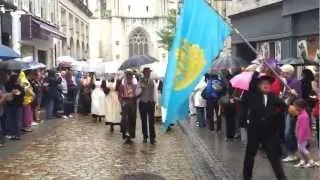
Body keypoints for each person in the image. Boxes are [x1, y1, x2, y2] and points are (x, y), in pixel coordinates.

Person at [240, 72, 287, 180]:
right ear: (258, 85)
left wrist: (292, 95)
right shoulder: (252, 94)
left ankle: (282, 178)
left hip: (268, 131)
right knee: (250, 154)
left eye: (268, 83)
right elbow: (251, 84)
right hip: (254, 130)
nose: (266, 85)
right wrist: (257, 70)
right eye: (263, 83)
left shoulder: (273, 97)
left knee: (273, 156)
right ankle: (247, 177)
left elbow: (284, 106)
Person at [280, 64, 301, 163]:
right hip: (287, 109)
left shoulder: (295, 82)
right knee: (289, 132)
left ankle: (292, 153)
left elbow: (298, 97)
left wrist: (293, 95)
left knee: (288, 132)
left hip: (292, 110)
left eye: (283, 72)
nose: (281, 73)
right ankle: (293, 153)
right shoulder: (287, 82)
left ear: (288, 72)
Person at [289, 99, 318, 168]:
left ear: (300, 107)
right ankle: (303, 161)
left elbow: (303, 128)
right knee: (300, 149)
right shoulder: (301, 113)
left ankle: (311, 161)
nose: (294, 107)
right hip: (300, 135)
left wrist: (300, 137)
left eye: (295, 106)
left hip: (302, 137)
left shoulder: (304, 116)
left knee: (303, 149)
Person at [119, 70, 141, 144]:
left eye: (130, 76)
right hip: (125, 104)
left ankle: (131, 135)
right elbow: (119, 96)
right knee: (125, 120)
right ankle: (126, 135)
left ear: (132, 78)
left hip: (133, 104)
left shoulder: (135, 86)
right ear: (126, 77)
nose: (129, 78)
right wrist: (122, 103)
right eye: (128, 76)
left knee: (132, 120)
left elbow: (138, 94)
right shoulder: (122, 86)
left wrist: (137, 96)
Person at [5, 72, 25, 140]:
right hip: (15, 103)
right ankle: (16, 134)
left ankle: (15, 134)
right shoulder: (11, 84)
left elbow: (22, 93)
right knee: (16, 119)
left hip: (12, 103)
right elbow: (22, 93)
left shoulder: (8, 83)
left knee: (13, 119)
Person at [139, 67, 156, 144]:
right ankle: (145, 136)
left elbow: (154, 92)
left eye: (149, 72)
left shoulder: (152, 81)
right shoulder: (140, 81)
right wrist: (141, 88)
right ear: (144, 73)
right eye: (146, 72)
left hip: (150, 103)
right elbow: (137, 91)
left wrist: (154, 101)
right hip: (142, 102)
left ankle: (152, 137)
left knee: (151, 121)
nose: (148, 74)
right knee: (144, 120)